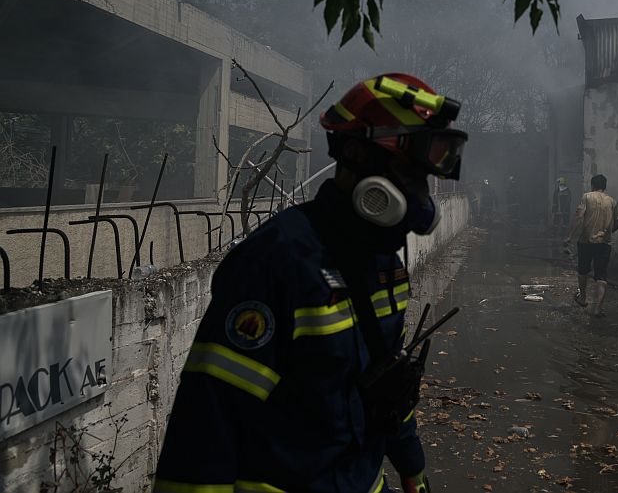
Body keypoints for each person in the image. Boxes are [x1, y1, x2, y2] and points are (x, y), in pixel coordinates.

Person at [153, 73, 468, 493]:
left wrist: (412, 467)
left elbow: (387, 384)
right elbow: (207, 426)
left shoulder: (386, 266)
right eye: (408, 174)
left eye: (422, 179)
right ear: (357, 154)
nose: (419, 196)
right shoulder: (278, 261)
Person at [564, 174, 618, 316]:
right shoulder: (613, 201)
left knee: (583, 270)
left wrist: (569, 236)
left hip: (586, 241)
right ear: (605, 186)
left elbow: (579, 216)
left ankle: (583, 297)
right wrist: (606, 233)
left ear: (592, 185)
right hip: (604, 243)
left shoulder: (587, 197)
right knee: (601, 275)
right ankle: (598, 308)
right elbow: (617, 224)